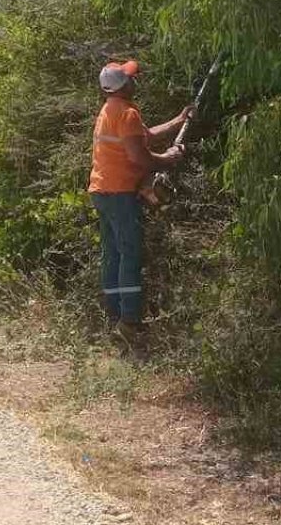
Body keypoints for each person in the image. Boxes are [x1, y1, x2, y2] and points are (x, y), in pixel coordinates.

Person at [89, 60, 191, 358]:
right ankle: (130, 321)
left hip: (102, 191)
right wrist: (169, 158)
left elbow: (144, 136)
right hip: (120, 193)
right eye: (132, 79)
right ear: (124, 86)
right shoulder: (128, 113)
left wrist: (179, 119)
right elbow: (141, 158)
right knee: (129, 254)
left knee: (113, 254)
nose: (136, 82)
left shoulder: (111, 109)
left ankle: (114, 318)